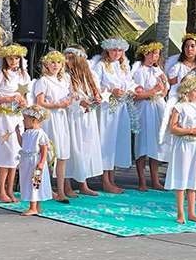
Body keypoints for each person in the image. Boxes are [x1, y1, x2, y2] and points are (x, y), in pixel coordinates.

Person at [93, 37, 140, 193]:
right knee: (107, 142)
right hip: (107, 109)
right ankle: (105, 180)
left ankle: (112, 179)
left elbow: (129, 82)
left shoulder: (123, 66)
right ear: (108, 50)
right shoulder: (100, 66)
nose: (117, 53)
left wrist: (135, 88)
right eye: (114, 50)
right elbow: (94, 86)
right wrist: (111, 91)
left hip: (121, 109)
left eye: (120, 50)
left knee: (116, 142)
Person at [164, 74, 196, 224]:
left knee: (193, 178)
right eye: (195, 90)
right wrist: (191, 130)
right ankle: (180, 213)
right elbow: (172, 128)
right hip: (183, 145)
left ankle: (192, 212)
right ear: (187, 90)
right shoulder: (179, 107)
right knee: (182, 178)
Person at [0, 43, 30, 202]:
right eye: (10, 58)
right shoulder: (0, 75)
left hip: (17, 118)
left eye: (16, 58)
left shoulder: (23, 76)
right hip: (3, 119)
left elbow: (24, 95)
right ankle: (0, 190)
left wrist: (22, 102)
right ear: (5, 58)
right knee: (6, 153)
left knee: (15, 154)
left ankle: (10, 190)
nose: (13, 61)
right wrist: (9, 99)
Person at [63, 46, 103, 197]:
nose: (66, 61)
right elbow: (64, 96)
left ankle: (83, 183)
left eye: (69, 58)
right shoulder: (66, 76)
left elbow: (97, 92)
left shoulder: (90, 75)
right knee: (72, 149)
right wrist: (78, 103)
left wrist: (97, 99)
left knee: (86, 149)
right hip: (73, 117)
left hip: (87, 117)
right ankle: (66, 185)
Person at [33, 50, 72, 203]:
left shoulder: (63, 81)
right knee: (48, 154)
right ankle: (45, 188)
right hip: (50, 118)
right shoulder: (43, 81)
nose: (55, 65)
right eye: (52, 62)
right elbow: (40, 102)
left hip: (62, 118)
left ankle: (61, 191)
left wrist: (68, 102)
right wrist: (56, 105)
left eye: (58, 62)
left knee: (62, 155)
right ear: (46, 64)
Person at [132, 42, 169, 191]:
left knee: (156, 144)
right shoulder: (139, 70)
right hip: (144, 108)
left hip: (157, 108)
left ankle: (155, 180)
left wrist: (163, 84)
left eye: (158, 53)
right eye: (153, 53)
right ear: (145, 53)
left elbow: (164, 91)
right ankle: (142, 181)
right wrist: (154, 90)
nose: (156, 56)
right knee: (142, 144)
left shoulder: (157, 70)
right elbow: (137, 95)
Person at [17, 105, 52, 216]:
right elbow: (23, 144)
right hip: (26, 163)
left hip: (35, 163)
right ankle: (37, 206)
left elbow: (44, 148)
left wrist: (41, 162)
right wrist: (18, 134)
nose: (23, 121)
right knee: (29, 182)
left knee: (34, 183)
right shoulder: (27, 133)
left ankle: (33, 207)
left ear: (33, 120)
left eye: (25, 119)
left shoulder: (40, 134)